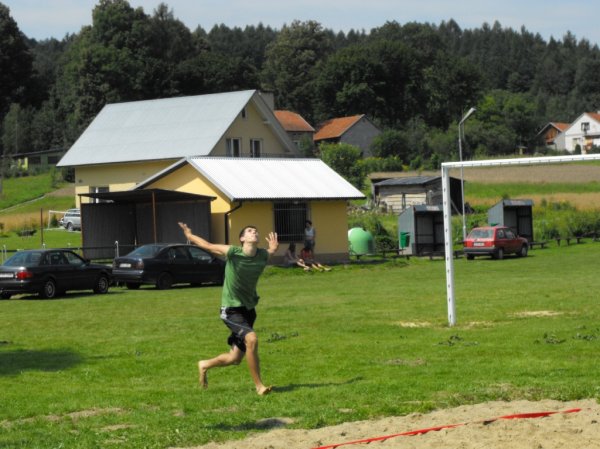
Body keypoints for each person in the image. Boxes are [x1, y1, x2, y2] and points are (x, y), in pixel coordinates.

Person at [178, 222, 278, 395]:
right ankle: (259, 386)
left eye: (256, 231)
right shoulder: (233, 252)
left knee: (235, 358)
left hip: (248, 309)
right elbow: (208, 246)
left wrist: (273, 249)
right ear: (242, 238)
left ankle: (204, 365)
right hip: (231, 309)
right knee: (252, 340)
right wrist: (189, 235)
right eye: (249, 231)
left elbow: (268, 253)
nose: (254, 232)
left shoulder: (262, 255)